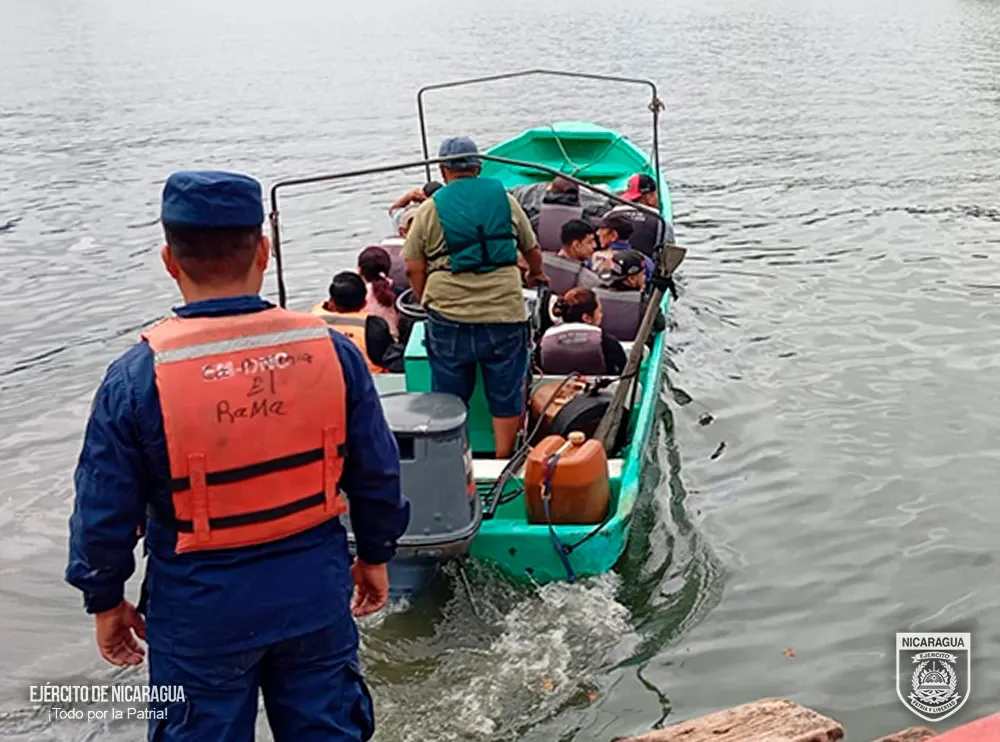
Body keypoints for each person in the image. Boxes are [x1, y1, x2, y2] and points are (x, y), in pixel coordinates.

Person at [65, 171, 410, 742]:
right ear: (263, 253)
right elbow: (377, 472)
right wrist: (375, 555)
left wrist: (104, 600)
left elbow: (102, 510)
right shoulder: (332, 354)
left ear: (169, 261)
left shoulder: (135, 379)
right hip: (313, 590)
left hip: (199, 609)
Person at [402, 136, 549, 459]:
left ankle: (454, 460)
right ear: (478, 167)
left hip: (448, 316)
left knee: (449, 396)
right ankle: (502, 459)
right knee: (505, 391)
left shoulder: (430, 209)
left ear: (443, 171)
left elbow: (413, 267)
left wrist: (426, 299)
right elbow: (532, 250)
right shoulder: (506, 201)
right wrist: (536, 274)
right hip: (504, 313)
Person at [313, 271, 397, 374]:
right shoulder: (374, 327)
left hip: (326, 377)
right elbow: (390, 361)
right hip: (368, 379)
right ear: (364, 304)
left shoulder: (311, 321)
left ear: (331, 302)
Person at [536, 287, 626, 375]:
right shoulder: (607, 342)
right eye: (599, 311)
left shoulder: (544, 342)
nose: (601, 315)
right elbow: (622, 371)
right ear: (586, 318)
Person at [602, 174, 676, 259]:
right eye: (655, 194)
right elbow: (670, 254)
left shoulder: (609, 215)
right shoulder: (661, 223)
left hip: (608, 262)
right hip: (644, 265)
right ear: (649, 197)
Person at [592, 212, 654, 282]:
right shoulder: (646, 261)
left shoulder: (596, 259)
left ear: (613, 235)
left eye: (602, 228)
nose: (598, 233)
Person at [357, 245, 400, 339]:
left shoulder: (358, 294)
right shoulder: (398, 292)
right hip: (394, 341)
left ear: (360, 270)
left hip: (365, 340)